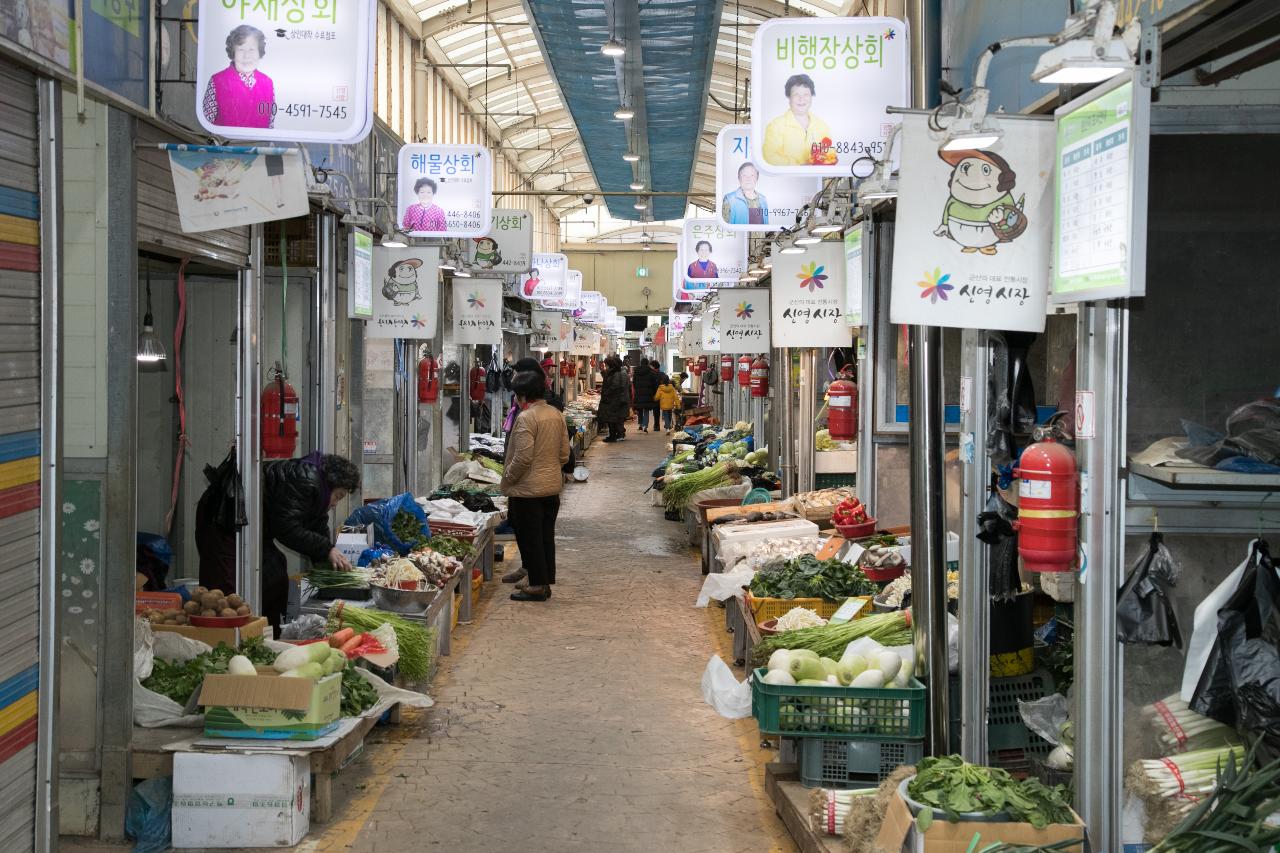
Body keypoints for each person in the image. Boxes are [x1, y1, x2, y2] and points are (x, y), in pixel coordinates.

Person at [260, 452, 360, 629]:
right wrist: (326, 549)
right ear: (330, 485)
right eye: (338, 496)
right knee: (271, 578)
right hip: (228, 522)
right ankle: (262, 636)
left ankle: (271, 635)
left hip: (260, 527)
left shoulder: (318, 487)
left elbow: (317, 525)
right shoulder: (306, 481)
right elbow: (287, 529)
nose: (336, 503)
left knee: (275, 576)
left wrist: (331, 567)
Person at [500, 371, 570, 602]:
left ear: (522, 396)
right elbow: (564, 454)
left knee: (531, 539)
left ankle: (539, 586)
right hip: (551, 488)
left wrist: (508, 478)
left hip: (527, 490)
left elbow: (522, 457)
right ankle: (542, 580)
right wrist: (549, 469)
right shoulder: (555, 413)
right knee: (544, 537)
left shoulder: (526, 418)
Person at [203, 25, 275, 129]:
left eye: (251, 50)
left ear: (259, 52)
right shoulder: (217, 81)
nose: (246, 56)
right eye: (241, 49)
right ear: (233, 52)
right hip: (225, 144)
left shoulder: (268, 83)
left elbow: (270, 123)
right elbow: (207, 124)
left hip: (259, 144)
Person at [762, 73, 834, 167]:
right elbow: (769, 156)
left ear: (811, 96)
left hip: (816, 180)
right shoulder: (776, 125)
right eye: (796, 94)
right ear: (789, 97)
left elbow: (829, 154)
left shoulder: (822, 126)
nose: (801, 99)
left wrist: (823, 160)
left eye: (806, 94)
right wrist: (799, 166)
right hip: (786, 179)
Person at [597, 355, 631, 442]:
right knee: (613, 418)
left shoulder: (618, 373)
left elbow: (615, 386)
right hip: (614, 400)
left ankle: (617, 435)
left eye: (606, 365)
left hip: (615, 400)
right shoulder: (615, 373)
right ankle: (614, 435)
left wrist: (605, 392)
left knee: (615, 419)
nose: (605, 367)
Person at [631, 358, 661, 433]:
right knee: (646, 410)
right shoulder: (651, 372)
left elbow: (634, 383)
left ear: (641, 363)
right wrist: (653, 393)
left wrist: (637, 389)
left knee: (640, 409)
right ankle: (645, 426)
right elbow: (654, 384)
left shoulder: (636, 372)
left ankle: (640, 424)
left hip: (639, 393)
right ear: (647, 363)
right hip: (648, 394)